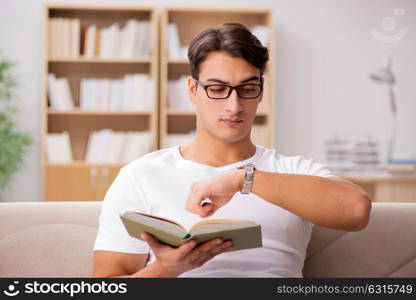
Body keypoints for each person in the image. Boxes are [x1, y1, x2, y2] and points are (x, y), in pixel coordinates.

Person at [92, 23, 371, 278]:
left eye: (247, 88)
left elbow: (357, 210)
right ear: (192, 90)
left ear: (261, 92)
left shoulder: (292, 171)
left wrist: (242, 180)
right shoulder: (141, 175)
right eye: (217, 89)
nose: (234, 105)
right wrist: (164, 270)